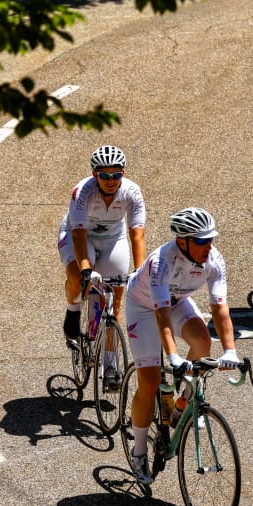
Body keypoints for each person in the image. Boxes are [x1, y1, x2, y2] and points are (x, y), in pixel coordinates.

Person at [124, 207, 239, 483]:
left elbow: (220, 309)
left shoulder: (214, 260)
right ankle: (139, 451)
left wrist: (230, 350)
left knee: (202, 341)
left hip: (177, 303)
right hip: (143, 308)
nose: (208, 246)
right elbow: (160, 314)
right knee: (149, 382)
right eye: (201, 241)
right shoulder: (160, 262)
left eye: (210, 239)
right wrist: (173, 355)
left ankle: (180, 406)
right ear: (183, 241)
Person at [58, 144, 147, 390]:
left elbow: (137, 235)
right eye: (105, 175)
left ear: (123, 173)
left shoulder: (132, 192)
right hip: (80, 235)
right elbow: (77, 233)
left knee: (113, 305)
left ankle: (110, 366)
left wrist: (140, 272)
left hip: (113, 239)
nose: (111, 180)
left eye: (116, 174)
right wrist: (86, 269)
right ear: (95, 174)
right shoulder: (82, 192)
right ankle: (73, 310)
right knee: (78, 278)